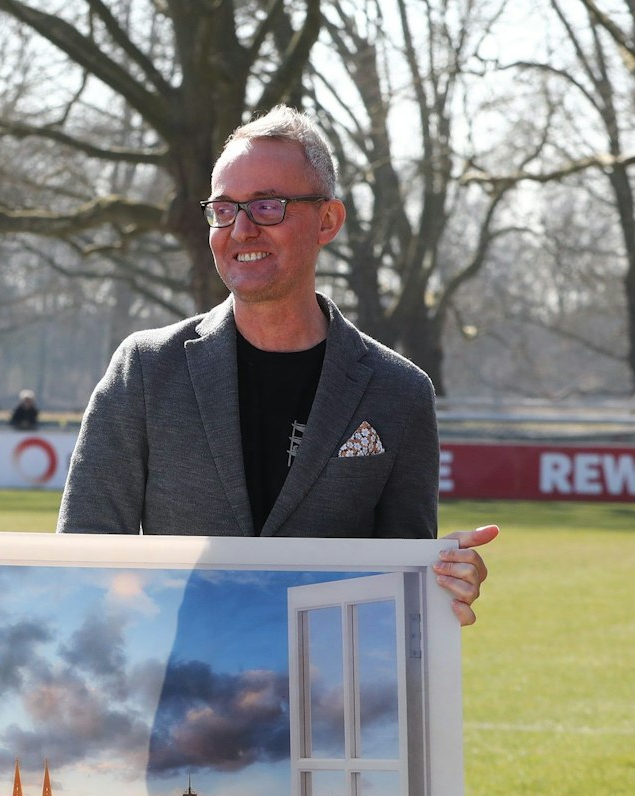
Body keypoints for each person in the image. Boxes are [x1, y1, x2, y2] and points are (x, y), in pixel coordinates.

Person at [56, 105, 494, 623]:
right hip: (173, 688)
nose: (241, 230)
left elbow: (399, 592)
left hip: (327, 692)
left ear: (328, 220)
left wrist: (444, 581)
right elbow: (81, 562)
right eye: (224, 208)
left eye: (267, 206)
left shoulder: (399, 392)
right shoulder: (146, 371)